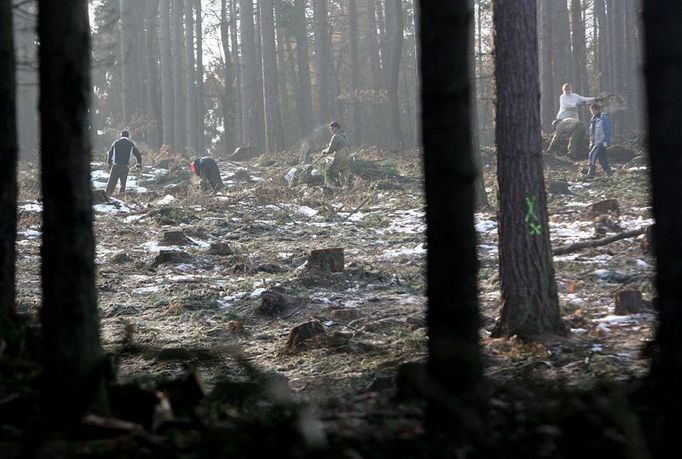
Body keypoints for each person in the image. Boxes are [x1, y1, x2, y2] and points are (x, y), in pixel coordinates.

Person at [106, 130, 142, 196]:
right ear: (128, 136)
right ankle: (121, 196)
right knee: (123, 183)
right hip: (125, 166)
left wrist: (109, 163)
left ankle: (108, 195)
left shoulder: (115, 143)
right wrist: (139, 163)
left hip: (115, 166)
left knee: (112, 182)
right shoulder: (131, 144)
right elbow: (138, 154)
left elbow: (110, 153)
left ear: (121, 135)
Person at [584, 103, 613, 179]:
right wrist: (591, 142)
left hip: (601, 142)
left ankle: (591, 173)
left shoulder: (604, 118)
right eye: (591, 111)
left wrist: (606, 141)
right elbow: (592, 132)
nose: (592, 112)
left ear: (598, 110)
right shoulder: (594, 119)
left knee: (592, 155)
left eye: (593, 111)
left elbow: (607, 130)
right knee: (602, 157)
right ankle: (609, 173)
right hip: (595, 142)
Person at [321, 121, 351, 188]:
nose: (331, 130)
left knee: (331, 169)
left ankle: (333, 186)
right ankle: (345, 186)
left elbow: (330, 149)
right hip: (348, 155)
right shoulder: (345, 135)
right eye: (331, 129)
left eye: (332, 129)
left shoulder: (335, 136)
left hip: (340, 156)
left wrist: (324, 151)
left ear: (336, 128)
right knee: (344, 171)